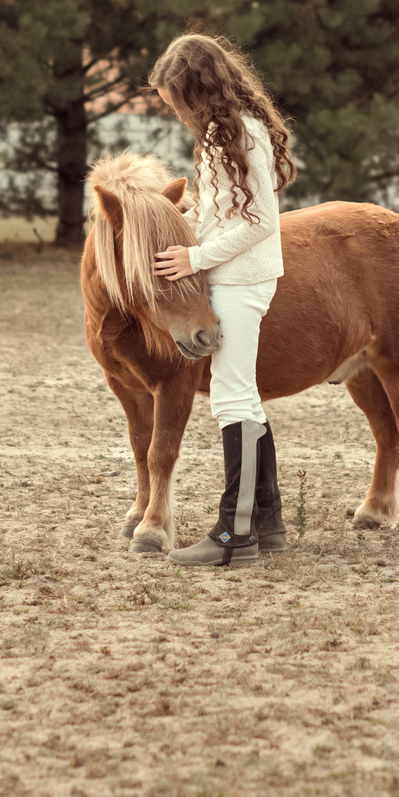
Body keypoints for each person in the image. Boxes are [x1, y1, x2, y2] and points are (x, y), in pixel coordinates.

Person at [147, 33, 297, 569]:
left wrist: (196, 258)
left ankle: (235, 535)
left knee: (232, 400)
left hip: (241, 279)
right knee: (244, 398)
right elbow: (218, 210)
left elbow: (259, 221)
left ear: (196, 90)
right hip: (228, 275)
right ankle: (269, 522)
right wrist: (180, 229)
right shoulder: (221, 131)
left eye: (176, 101)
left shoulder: (242, 134)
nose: (176, 113)